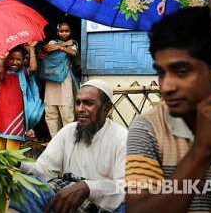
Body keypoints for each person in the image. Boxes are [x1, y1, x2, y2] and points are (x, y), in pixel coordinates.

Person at [125, 7, 211, 213]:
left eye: (182, 71)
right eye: (161, 72)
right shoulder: (149, 128)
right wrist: (201, 151)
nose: (166, 86)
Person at [10, 79, 127, 213]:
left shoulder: (122, 139)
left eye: (88, 103)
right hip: (66, 202)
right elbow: (44, 170)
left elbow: (126, 187)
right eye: (78, 103)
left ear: (106, 108)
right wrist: (17, 163)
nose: (80, 109)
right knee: (27, 185)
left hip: (101, 206)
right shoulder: (68, 131)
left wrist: (89, 188)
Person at [0, 42, 40, 151]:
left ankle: (11, 166)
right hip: (1, 112)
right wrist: (2, 60)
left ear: (23, 60)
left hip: (16, 114)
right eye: (11, 59)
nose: (15, 62)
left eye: (18, 59)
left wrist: (31, 49)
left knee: (13, 140)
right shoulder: (2, 71)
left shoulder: (22, 73)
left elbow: (33, 68)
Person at [42, 22, 78, 137]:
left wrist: (61, 47)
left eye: (66, 31)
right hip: (51, 78)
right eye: (61, 31)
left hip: (64, 79)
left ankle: (68, 139)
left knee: (67, 110)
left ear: (70, 32)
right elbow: (48, 48)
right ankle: (54, 139)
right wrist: (64, 45)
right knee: (51, 111)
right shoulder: (53, 42)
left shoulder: (73, 44)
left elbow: (73, 52)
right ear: (57, 32)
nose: (64, 33)